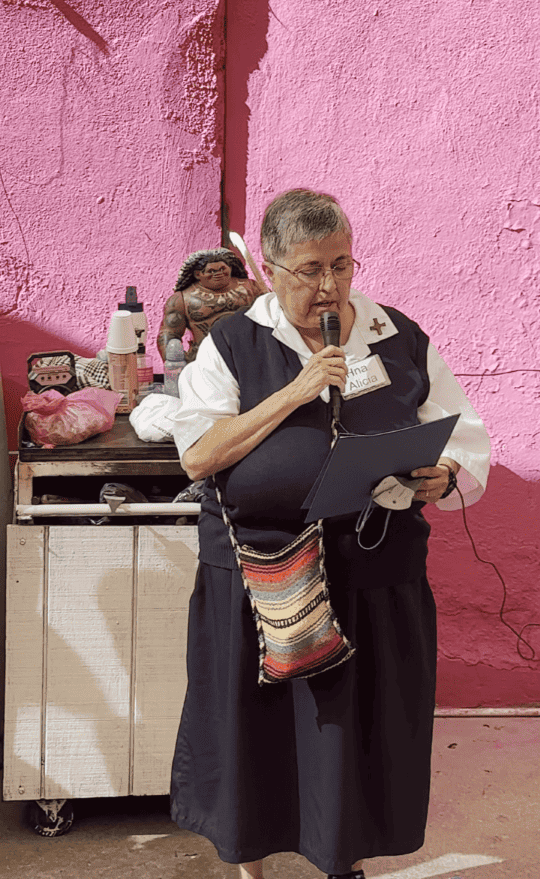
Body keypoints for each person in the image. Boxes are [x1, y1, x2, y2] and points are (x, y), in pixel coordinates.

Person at [169, 190, 491, 879]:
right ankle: (249, 866)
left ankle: (339, 860)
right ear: (270, 265)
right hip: (262, 577)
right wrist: (296, 390)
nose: (329, 286)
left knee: (345, 737)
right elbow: (197, 455)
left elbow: (466, 437)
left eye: (341, 265)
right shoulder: (233, 342)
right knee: (254, 732)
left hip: (372, 574)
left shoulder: (395, 334)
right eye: (310, 269)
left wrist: (448, 474)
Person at [157, 248, 264, 363]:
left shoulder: (251, 287)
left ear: (231, 268)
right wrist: (176, 364)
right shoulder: (181, 299)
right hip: (205, 363)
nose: (218, 274)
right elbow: (169, 334)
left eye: (223, 269)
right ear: (198, 274)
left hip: (251, 358)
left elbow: (271, 318)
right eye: (211, 271)